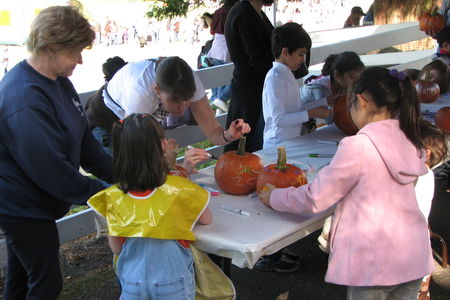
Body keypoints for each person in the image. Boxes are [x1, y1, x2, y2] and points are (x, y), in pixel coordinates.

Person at [259, 67, 433, 299]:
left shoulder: (358, 146)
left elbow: (315, 198)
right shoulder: (409, 136)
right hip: (413, 255)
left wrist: (274, 196)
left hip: (373, 262)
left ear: (361, 101)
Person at [0, 6, 113, 299]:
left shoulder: (59, 81)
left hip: (36, 203)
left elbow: (83, 137)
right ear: (50, 48)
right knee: (46, 284)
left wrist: (117, 173)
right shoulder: (25, 97)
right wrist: (102, 191)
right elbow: (50, 170)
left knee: (20, 281)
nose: (81, 59)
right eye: (75, 51)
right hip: (22, 207)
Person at [88, 113, 212, 300]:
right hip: (172, 283)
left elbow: (116, 249)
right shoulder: (179, 189)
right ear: (163, 146)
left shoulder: (114, 197)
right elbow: (207, 219)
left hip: (132, 284)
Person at [98, 56, 249, 151]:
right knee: (127, 184)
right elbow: (140, 154)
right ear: (157, 89)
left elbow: (213, 132)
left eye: (188, 99)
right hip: (107, 122)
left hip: (136, 123)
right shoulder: (139, 95)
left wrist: (228, 134)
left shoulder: (188, 79)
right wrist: (174, 164)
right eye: (176, 101)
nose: (183, 108)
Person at [262, 22, 331, 148]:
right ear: (285, 52)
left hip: (291, 141)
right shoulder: (275, 78)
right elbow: (279, 120)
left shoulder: (287, 74)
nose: (303, 60)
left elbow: (297, 107)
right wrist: (312, 113)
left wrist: (326, 101)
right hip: (277, 145)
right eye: (300, 54)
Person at [224, 0, 275, 153]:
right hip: (249, 94)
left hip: (255, 90)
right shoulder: (244, 13)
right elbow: (258, 59)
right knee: (243, 149)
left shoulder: (255, 12)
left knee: (253, 148)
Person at [206, 0, 239, 114]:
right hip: (227, 50)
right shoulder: (234, 12)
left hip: (215, 49)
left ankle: (216, 108)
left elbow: (212, 31)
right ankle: (221, 100)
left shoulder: (217, 12)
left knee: (219, 82)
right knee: (235, 78)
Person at [300, 51, 364, 109]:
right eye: (352, 76)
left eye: (359, 77)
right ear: (337, 74)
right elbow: (329, 118)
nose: (356, 81)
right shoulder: (320, 89)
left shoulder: (341, 84)